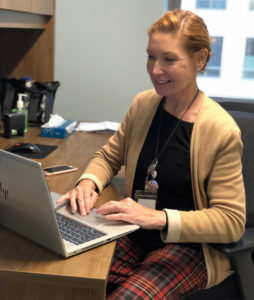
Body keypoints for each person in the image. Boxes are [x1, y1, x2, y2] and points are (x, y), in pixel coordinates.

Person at [58, 9, 246, 299]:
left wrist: (157, 218)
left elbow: (230, 222)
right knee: (64, 276)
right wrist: (88, 183)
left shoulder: (221, 130)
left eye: (169, 59)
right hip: (132, 233)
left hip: (188, 248)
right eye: (150, 57)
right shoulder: (144, 104)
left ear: (200, 59)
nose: (155, 70)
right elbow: (109, 157)